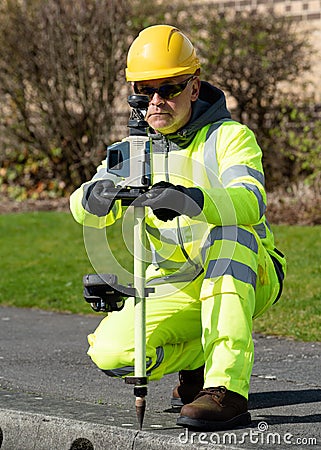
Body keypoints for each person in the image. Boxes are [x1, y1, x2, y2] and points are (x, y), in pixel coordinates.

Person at [70, 24, 286, 431]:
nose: (155, 101)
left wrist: (190, 200)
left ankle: (227, 389)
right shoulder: (132, 150)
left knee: (230, 237)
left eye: (169, 88)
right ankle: (200, 362)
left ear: (193, 86)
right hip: (174, 283)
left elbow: (250, 201)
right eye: (143, 90)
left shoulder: (230, 138)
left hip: (247, 272)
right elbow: (82, 206)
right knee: (113, 353)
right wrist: (92, 197)